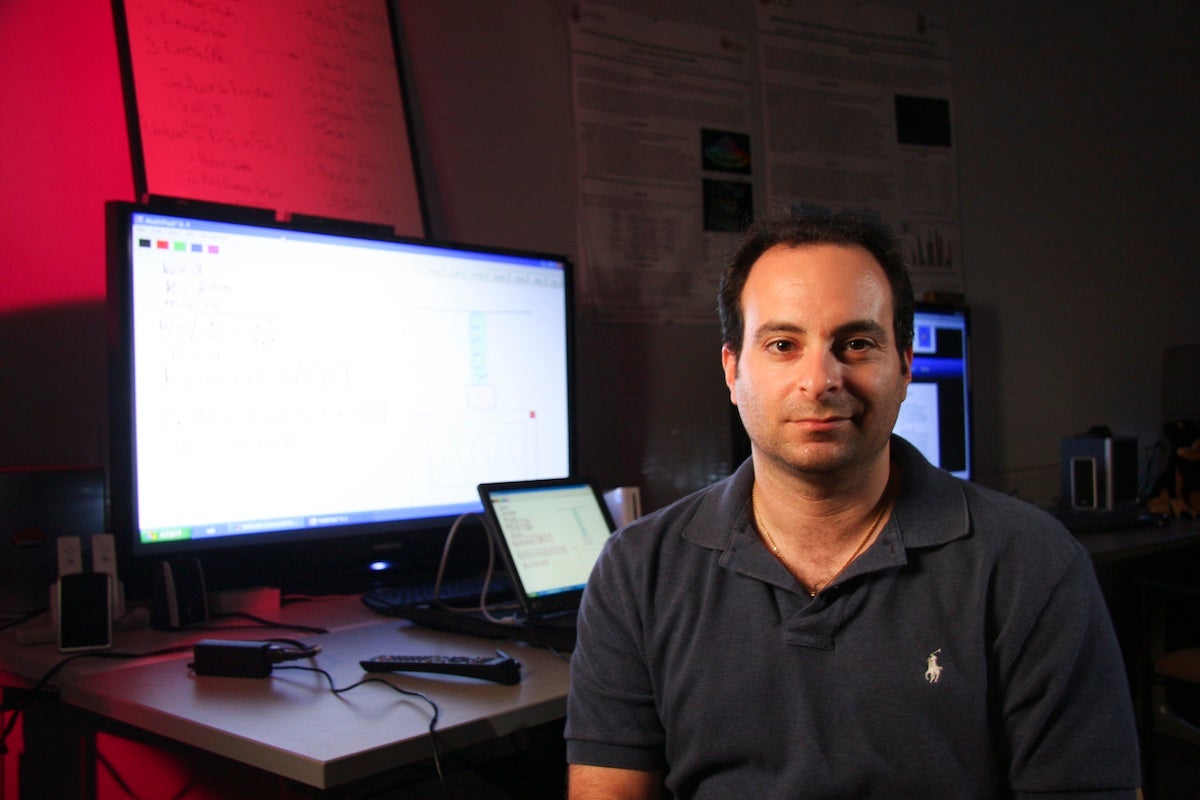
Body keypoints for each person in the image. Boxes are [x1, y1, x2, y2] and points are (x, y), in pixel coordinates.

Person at [564, 210, 1141, 798]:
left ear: (905, 366)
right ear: (733, 370)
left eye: (857, 343)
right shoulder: (637, 569)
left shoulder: (1031, 564)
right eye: (784, 344)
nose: (820, 379)